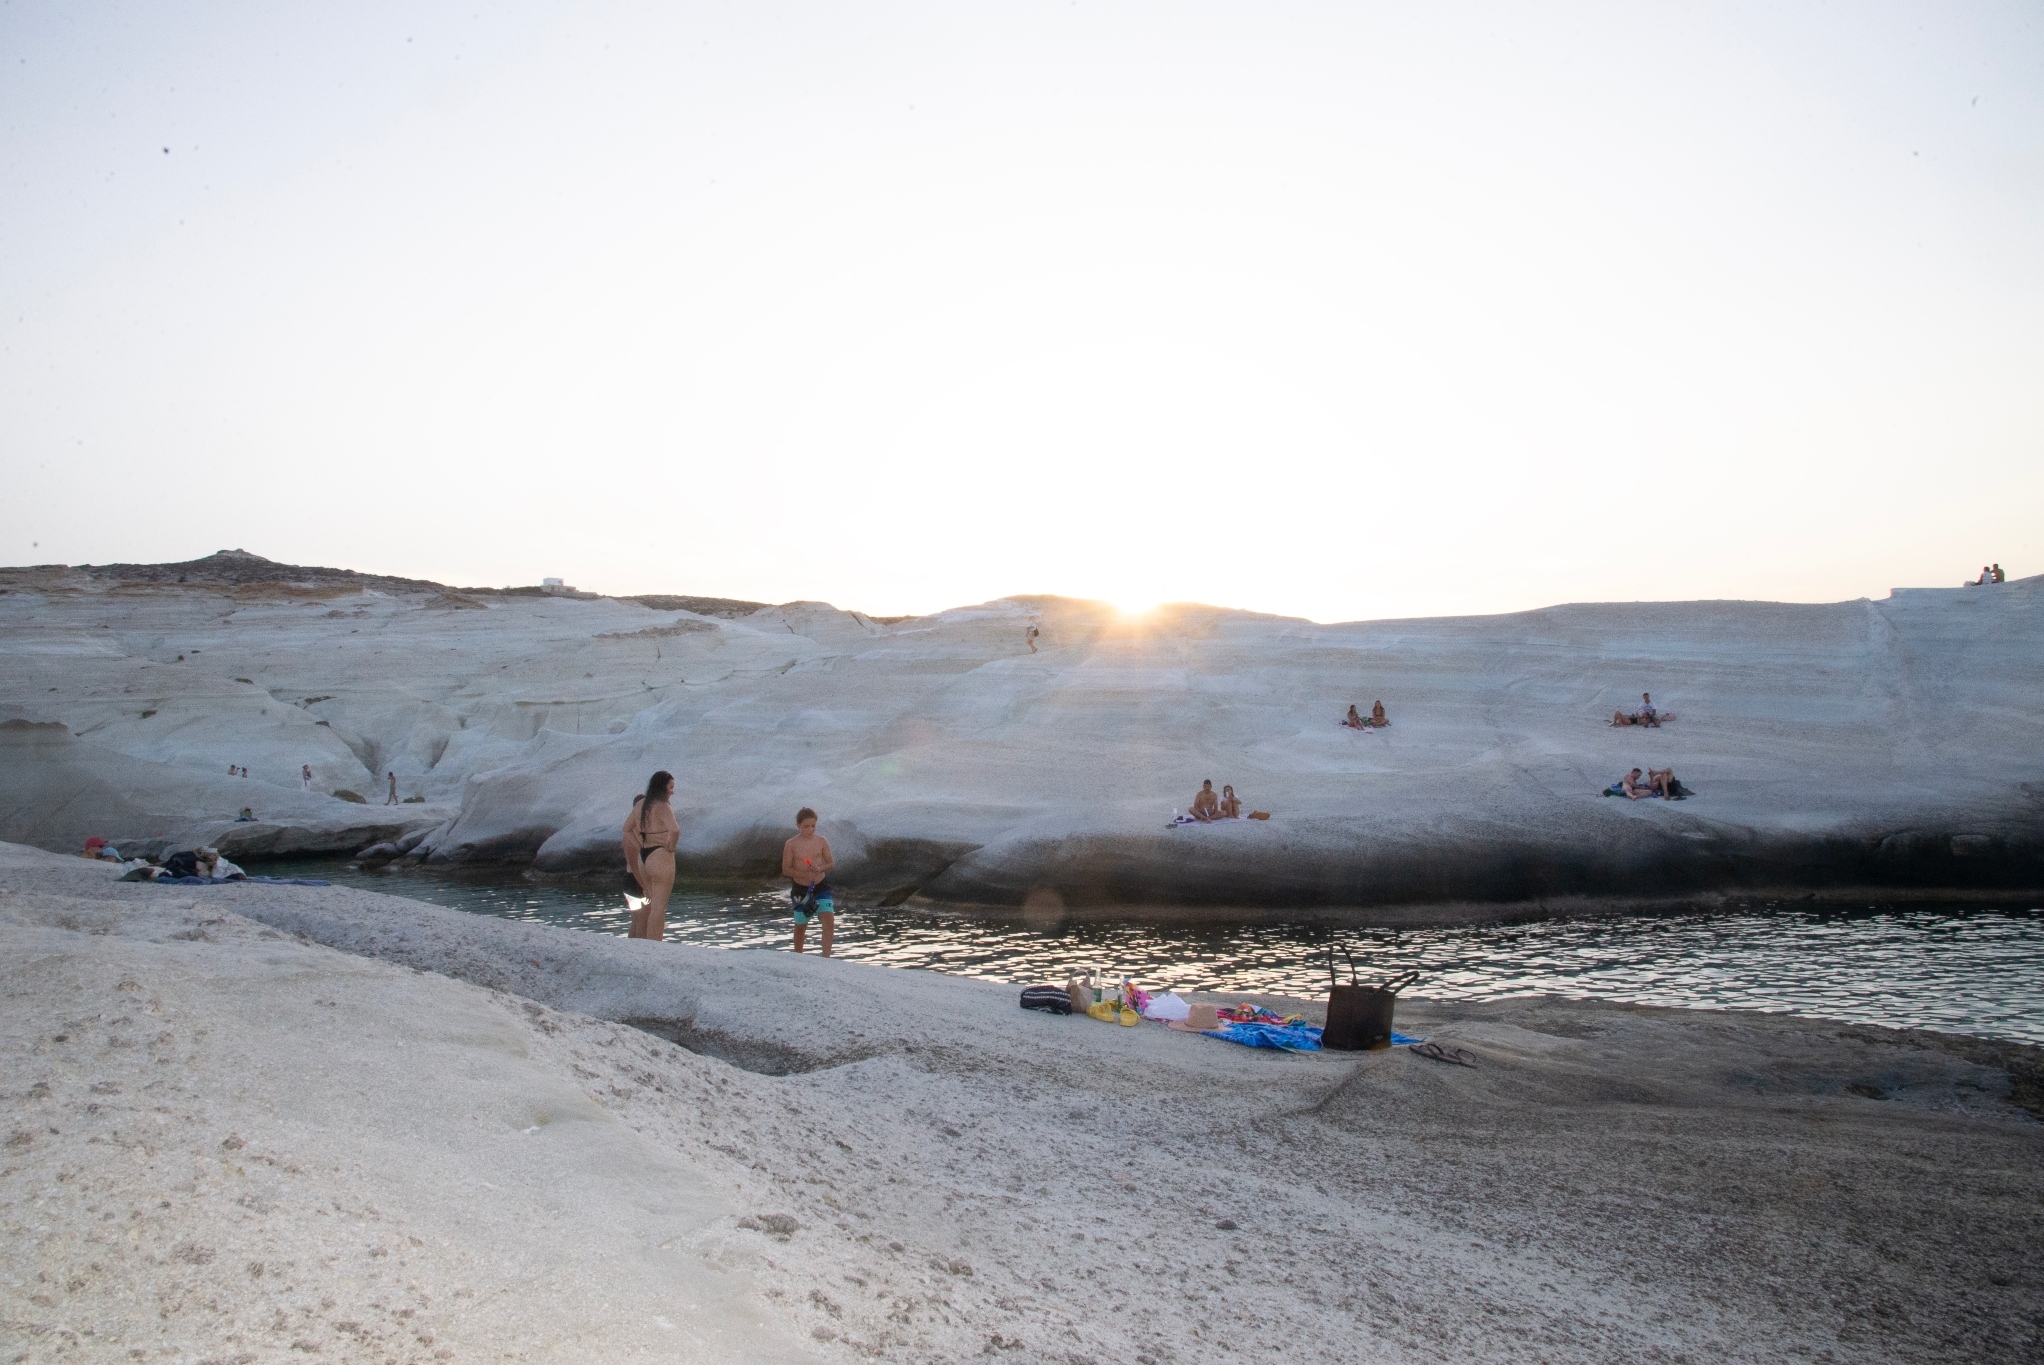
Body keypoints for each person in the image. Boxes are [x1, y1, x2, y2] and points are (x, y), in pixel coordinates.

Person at [621, 770, 680, 940]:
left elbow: (626, 828)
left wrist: (640, 844)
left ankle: (646, 945)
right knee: (658, 908)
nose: (672, 791)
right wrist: (671, 846)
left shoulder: (640, 805)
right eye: (671, 787)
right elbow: (675, 830)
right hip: (660, 854)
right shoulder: (662, 806)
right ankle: (655, 946)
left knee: (651, 906)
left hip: (644, 857)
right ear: (663, 787)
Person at [781, 807, 837, 956]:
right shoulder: (791, 844)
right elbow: (786, 869)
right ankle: (798, 957)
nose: (810, 829)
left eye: (813, 826)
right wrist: (804, 875)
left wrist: (820, 868)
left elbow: (830, 863)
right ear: (798, 826)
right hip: (801, 888)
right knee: (801, 925)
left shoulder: (821, 841)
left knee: (829, 919)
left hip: (821, 886)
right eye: (806, 826)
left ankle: (826, 958)